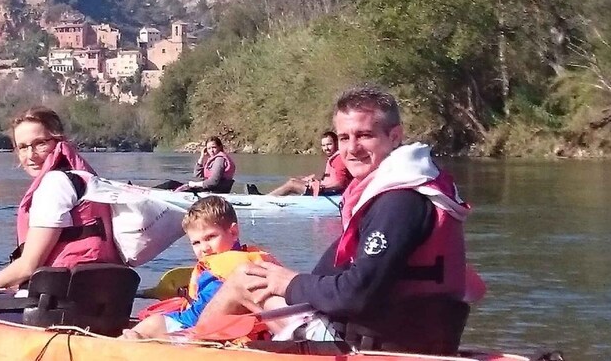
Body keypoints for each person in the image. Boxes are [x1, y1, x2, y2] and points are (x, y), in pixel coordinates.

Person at [199, 85, 477, 355]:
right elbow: (330, 273)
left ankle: (187, 348)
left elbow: (355, 295)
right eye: (344, 138)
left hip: (371, 347)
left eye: (364, 135)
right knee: (260, 275)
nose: (351, 148)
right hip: (410, 336)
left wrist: (290, 283)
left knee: (243, 279)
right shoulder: (403, 189)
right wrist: (286, 280)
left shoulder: (400, 202)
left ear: (395, 136)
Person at [0, 107, 121, 290]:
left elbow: (27, 267)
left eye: (40, 143)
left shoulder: (55, 184)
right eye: (23, 147)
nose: (31, 155)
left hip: (59, 304)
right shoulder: (87, 179)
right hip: (99, 297)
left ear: (59, 141)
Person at [122, 196, 277, 339]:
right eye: (196, 243)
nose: (204, 248)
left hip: (194, 327)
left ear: (233, 232)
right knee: (153, 321)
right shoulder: (254, 259)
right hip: (207, 325)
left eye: (210, 237)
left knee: (152, 323)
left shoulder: (239, 267)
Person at [256, 131, 350, 197]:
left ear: (336, 143)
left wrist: (322, 187)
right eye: (323, 145)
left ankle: (265, 199)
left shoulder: (338, 159)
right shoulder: (334, 158)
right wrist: (315, 181)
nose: (326, 148)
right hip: (326, 191)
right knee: (294, 180)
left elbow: (340, 184)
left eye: (329, 144)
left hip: (332, 193)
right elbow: (330, 178)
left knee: (292, 184)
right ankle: (267, 197)